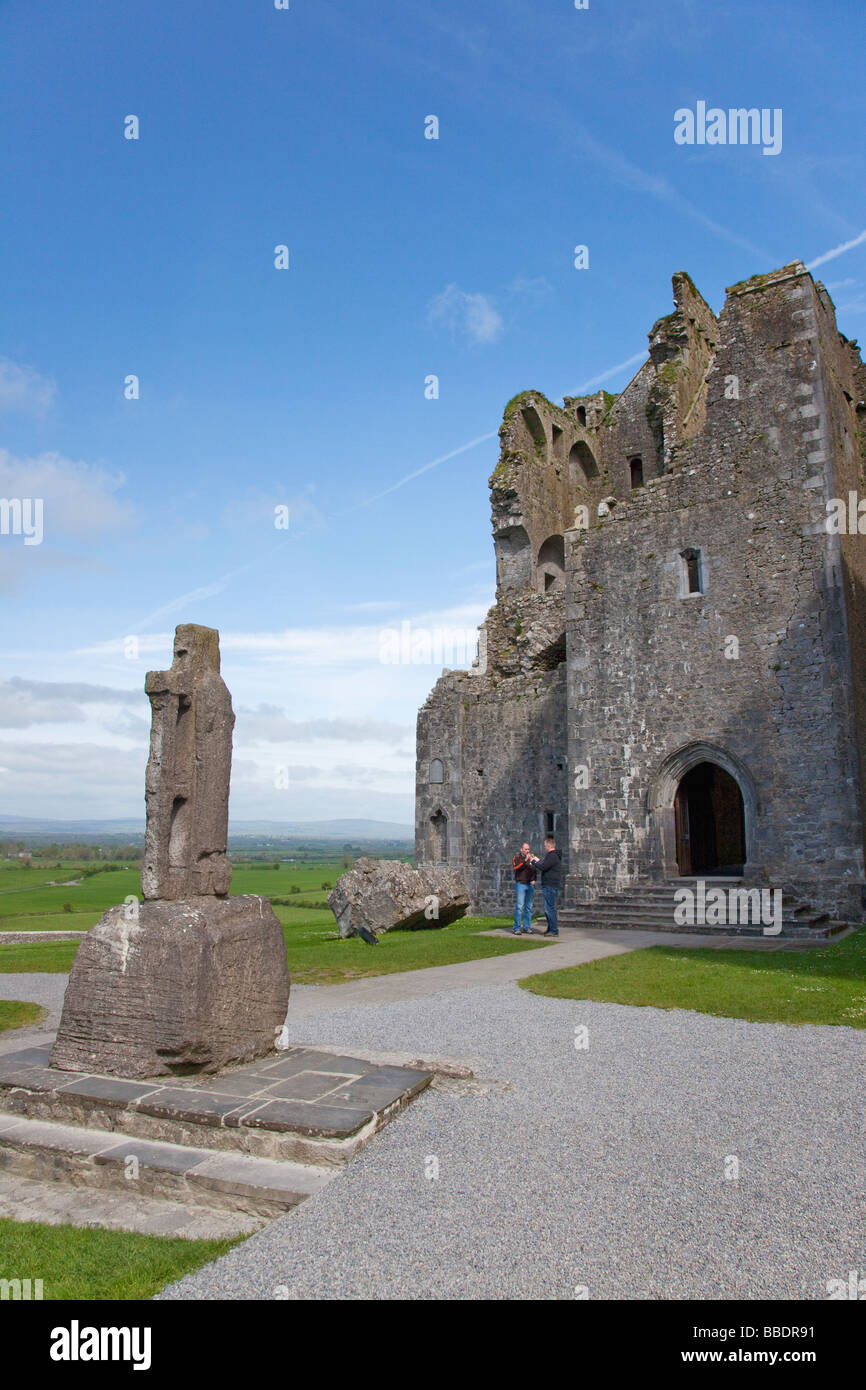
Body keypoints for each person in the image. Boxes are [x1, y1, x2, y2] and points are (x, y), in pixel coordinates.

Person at [533, 836, 563, 936]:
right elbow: (545, 865)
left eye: (545, 845)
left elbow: (543, 867)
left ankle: (554, 930)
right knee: (548, 908)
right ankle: (550, 928)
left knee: (549, 908)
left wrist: (534, 861)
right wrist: (538, 861)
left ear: (548, 846)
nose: (544, 847)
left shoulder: (552, 855)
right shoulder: (552, 856)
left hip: (550, 884)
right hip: (549, 884)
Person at [511, 842, 536, 935]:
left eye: (528, 849)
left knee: (528, 907)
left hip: (529, 884)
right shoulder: (517, 858)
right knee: (519, 906)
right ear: (521, 850)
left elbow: (534, 869)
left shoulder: (531, 858)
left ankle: (526, 927)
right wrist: (525, 860)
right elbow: (516, 868)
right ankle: (516, 927)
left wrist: (534, 879)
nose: (527, 851)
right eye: (525, 849)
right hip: (521, 884)